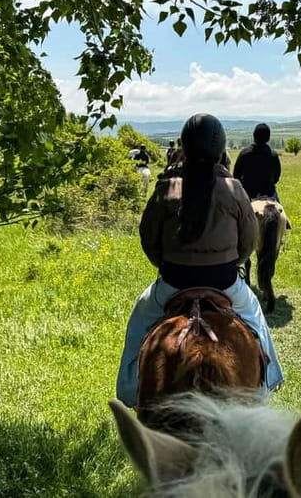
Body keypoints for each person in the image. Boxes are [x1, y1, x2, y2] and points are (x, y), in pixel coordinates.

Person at [116, 113, 284, 407]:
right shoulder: (234, 190)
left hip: (173, 283)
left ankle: (130, 389)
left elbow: (148, 240)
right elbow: (247, 244)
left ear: (184, 146)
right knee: (255, 317)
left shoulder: (165, 188)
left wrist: (166, 265)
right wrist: (231, 263)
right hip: (225, 283)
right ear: (220, 150)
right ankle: (268, 384)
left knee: (140, 320)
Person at [232, 123, 281, 202]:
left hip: (248, 195)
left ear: (254, 136)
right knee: (280, 211)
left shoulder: (244, 154)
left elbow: (236, 175)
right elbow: (276, 177)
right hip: (269, 194)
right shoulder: (273, 155)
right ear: (268, 138)